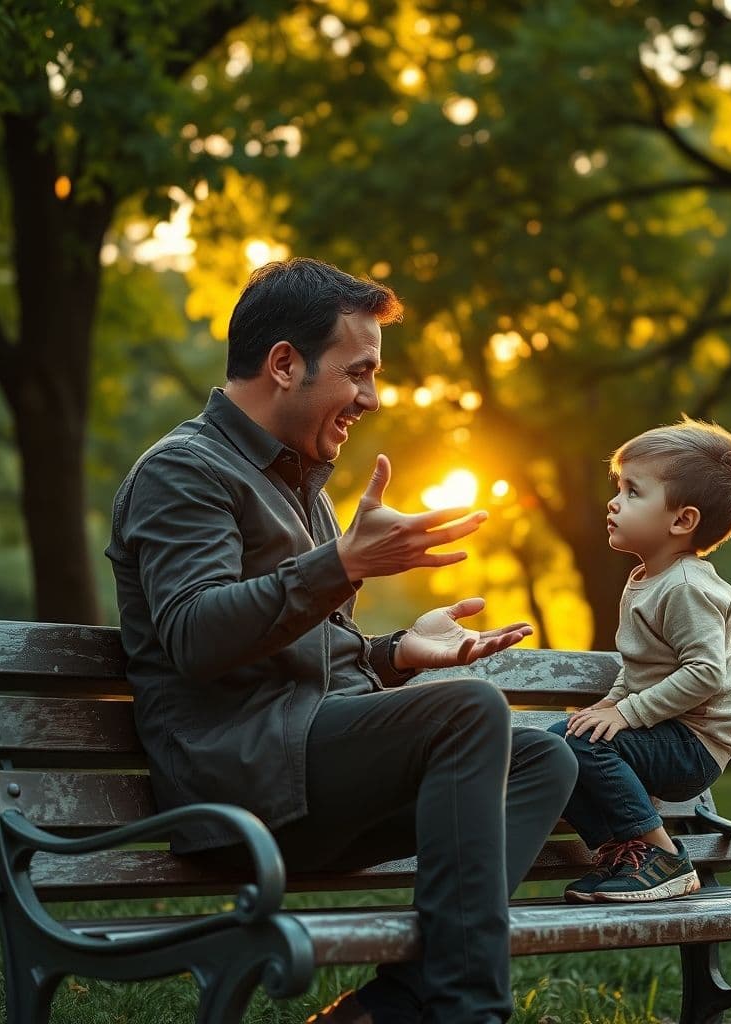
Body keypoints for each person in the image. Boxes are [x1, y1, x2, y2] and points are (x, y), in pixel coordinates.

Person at [106, 257, 577, 1024]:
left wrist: (392, 655)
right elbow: (193, 633)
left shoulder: (303, 487)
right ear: (285, 364)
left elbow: (303, 656)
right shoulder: (183, 472)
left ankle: (396, 1007)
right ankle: (468, 1012)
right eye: (359, 371)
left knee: (544, 757)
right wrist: (342, 564)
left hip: (303, 770)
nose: (373, 396)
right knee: (469, 712)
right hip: (238, 784)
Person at [548, 417, 731, 904]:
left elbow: (706, 673)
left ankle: (662, 859)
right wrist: (606, 707)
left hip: (694, 742)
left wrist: (625, 714)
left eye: (632, 491)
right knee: (559, 744)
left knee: (581, 747)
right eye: (619, 488)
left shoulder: (688, 587)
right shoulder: (645, 580)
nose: (614, 501)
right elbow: (637, 669)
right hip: (665, 733)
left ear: (681, 520)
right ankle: (626, 853)